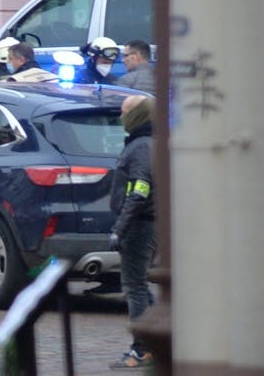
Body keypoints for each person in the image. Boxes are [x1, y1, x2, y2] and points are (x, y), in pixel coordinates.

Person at [108, 95, 156, 370]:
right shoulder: (146, 143)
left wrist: (120, 228)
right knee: (141, 287)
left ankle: (141, 349)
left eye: (125, 111)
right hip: (145, 222)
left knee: (135, 288)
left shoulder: (140, 147)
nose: (121, 116)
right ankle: (155, 340)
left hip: (140, 225)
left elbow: (139, 190)